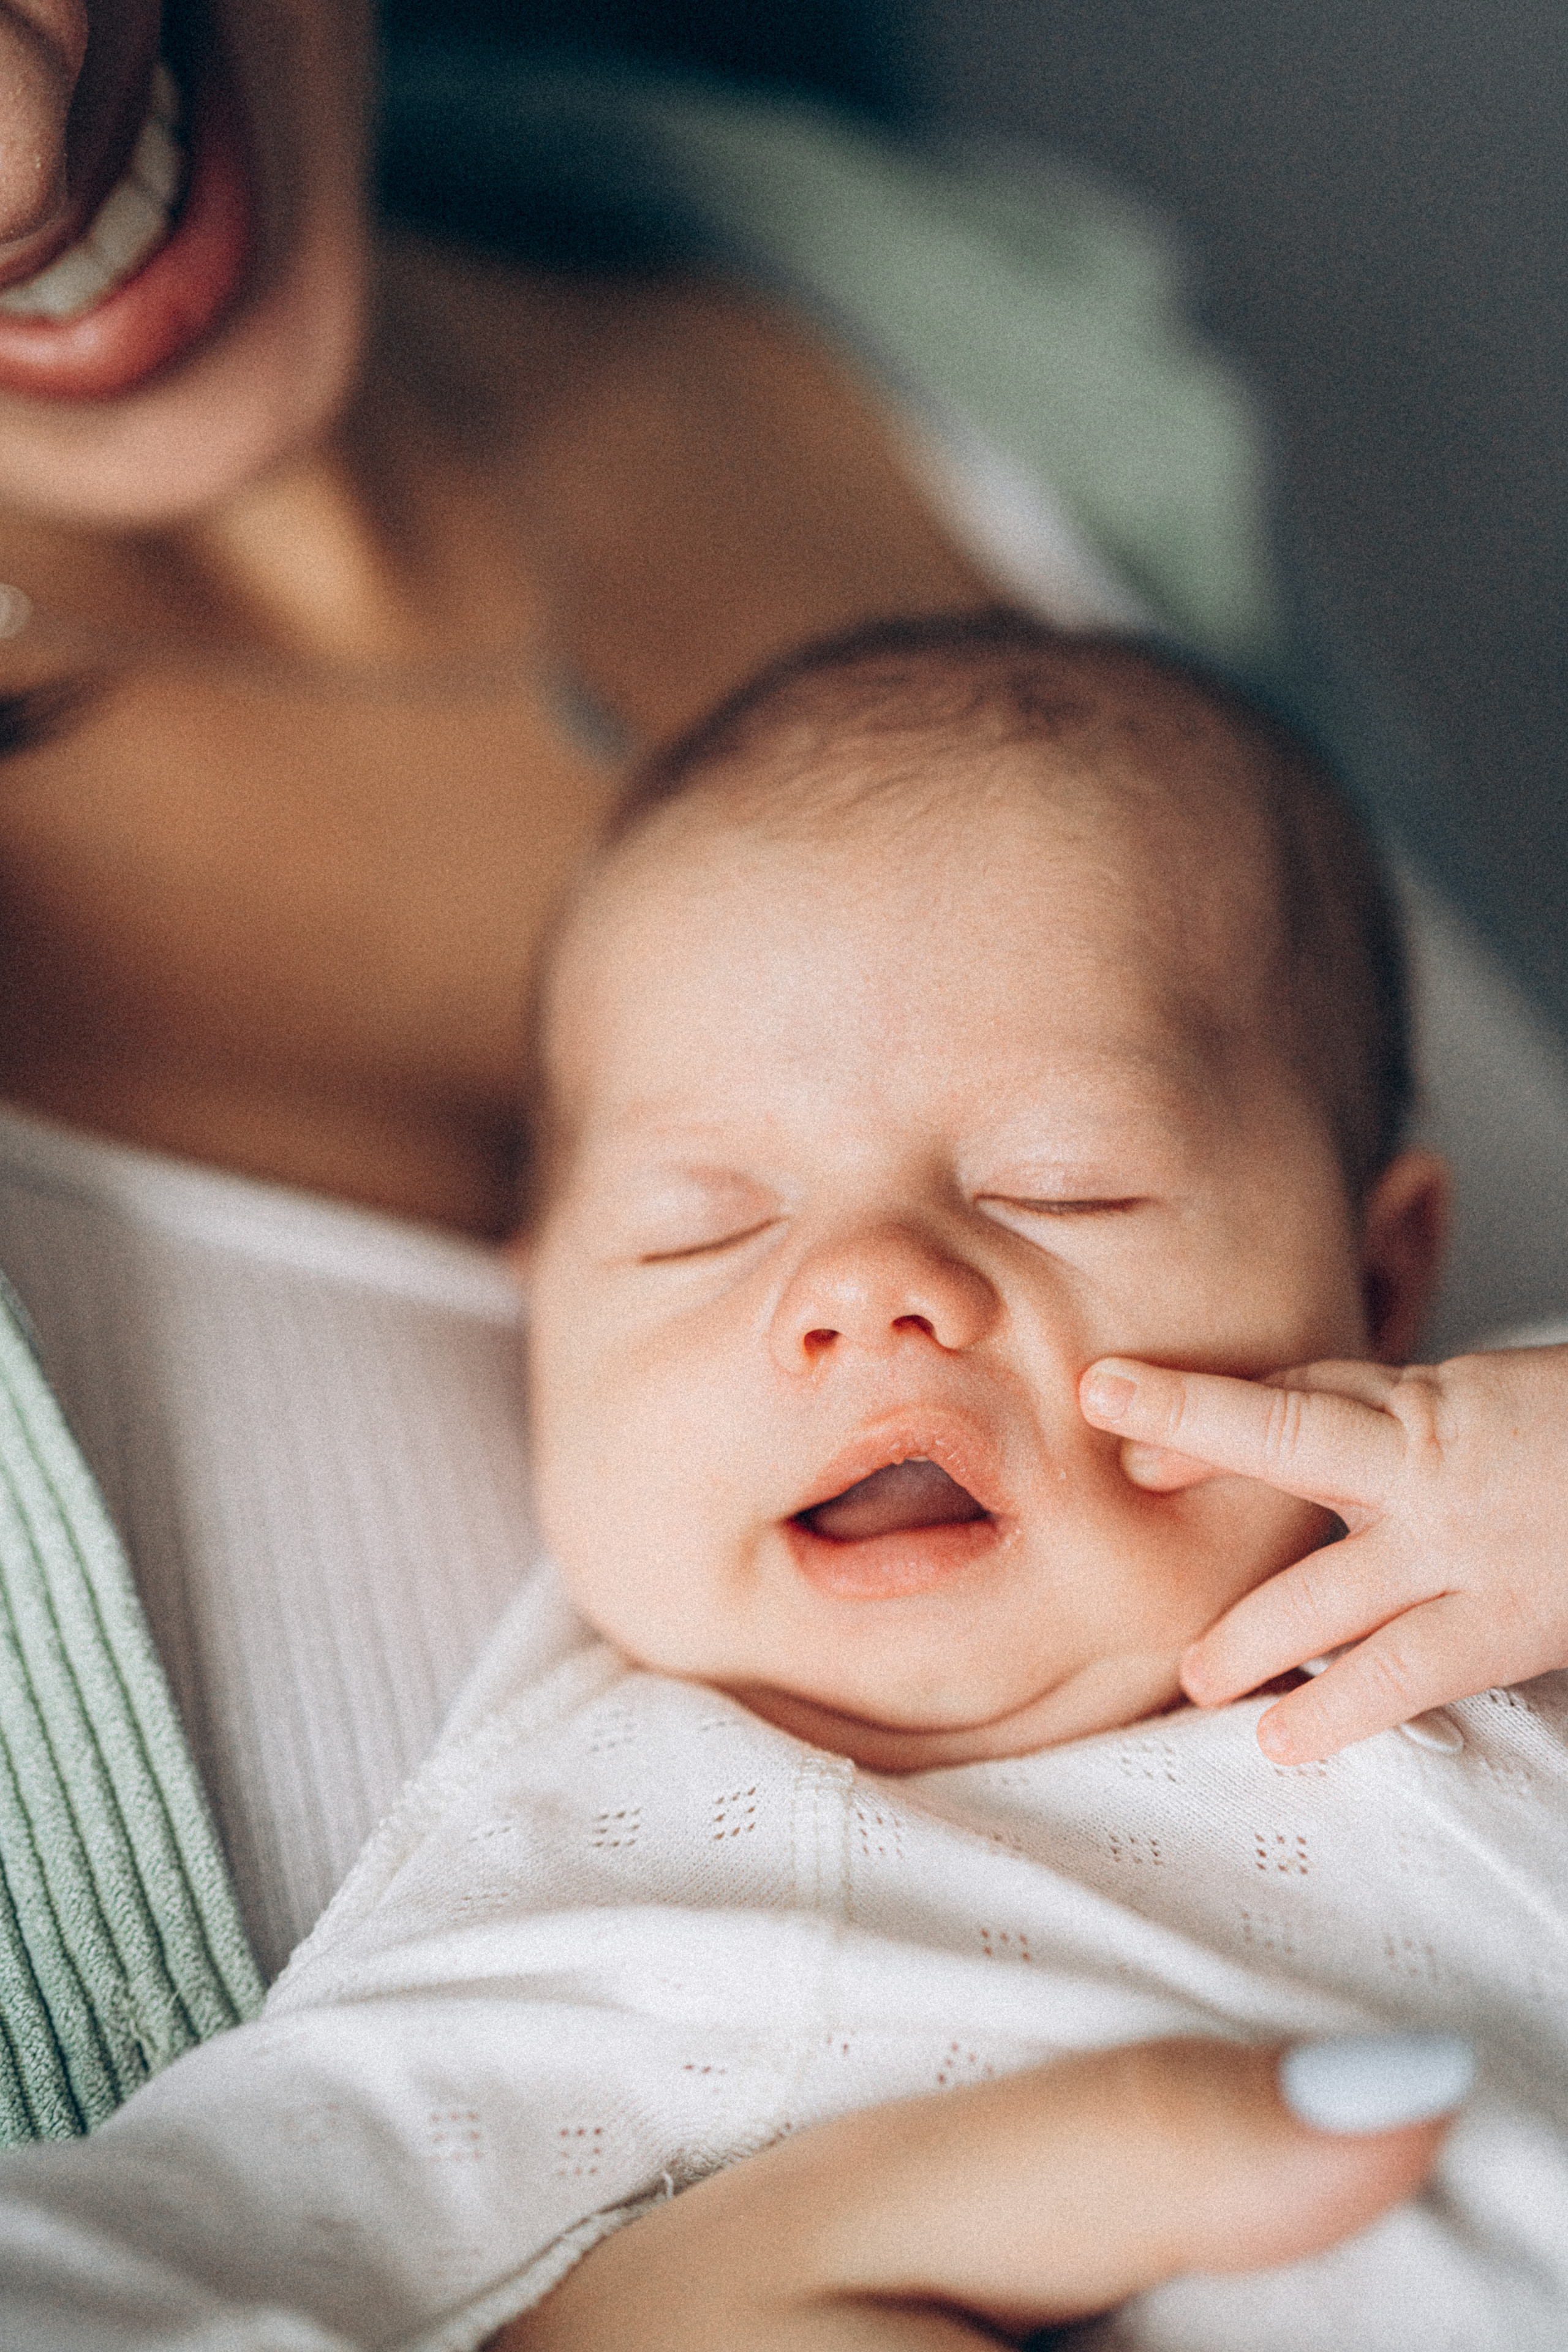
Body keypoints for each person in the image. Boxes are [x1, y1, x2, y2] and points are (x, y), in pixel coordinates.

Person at [1, 6, 1566, 2340]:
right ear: (531, 1318)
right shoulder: (617, 1886)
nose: (869, 1292)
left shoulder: (1492, 1530)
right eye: (694, 1229)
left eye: (1067, 1183)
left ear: (1382, 1257)